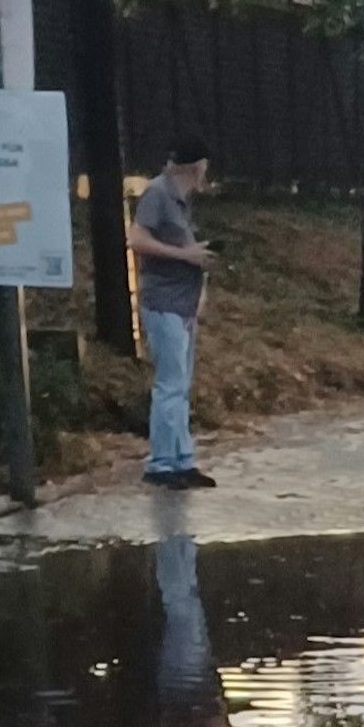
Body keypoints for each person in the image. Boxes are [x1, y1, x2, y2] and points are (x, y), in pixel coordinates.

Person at [128, 138, 219, 490]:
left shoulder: (180, 201)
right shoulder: (157, 193)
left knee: (180, 385)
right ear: (196, 166)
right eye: (204, 167)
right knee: (169, 384)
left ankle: (182, 459)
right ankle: (162, 464)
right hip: (163, 302)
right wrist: (184, 256)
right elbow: (136, 239)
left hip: (182, 304)